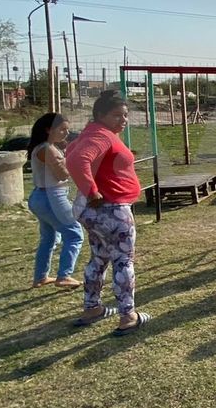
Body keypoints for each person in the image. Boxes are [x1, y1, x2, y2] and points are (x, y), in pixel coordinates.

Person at [65, 90, 151, 335]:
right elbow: (76, 160)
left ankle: (92, 307)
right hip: (110, 208)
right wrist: (92, 190)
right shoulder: (101, 136)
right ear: (100, 114)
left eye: (125, 115)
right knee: (123, 260)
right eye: (116, 115)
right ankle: (128, 315)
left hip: (95, 211)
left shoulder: (94, 133)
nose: (123, 120)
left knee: (99, 258)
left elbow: (70, 152)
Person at [26, 112, 83, 289]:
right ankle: (64, 276)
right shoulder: (48, 149)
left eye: (67, 129)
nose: (66, 133)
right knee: (74, 233)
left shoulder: (43, 147)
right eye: (62, 129)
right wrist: (73, 157)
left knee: (49, 238)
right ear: (48, 129)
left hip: (39, 196)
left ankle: (40, 277)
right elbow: (61, 175)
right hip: (52, 196)